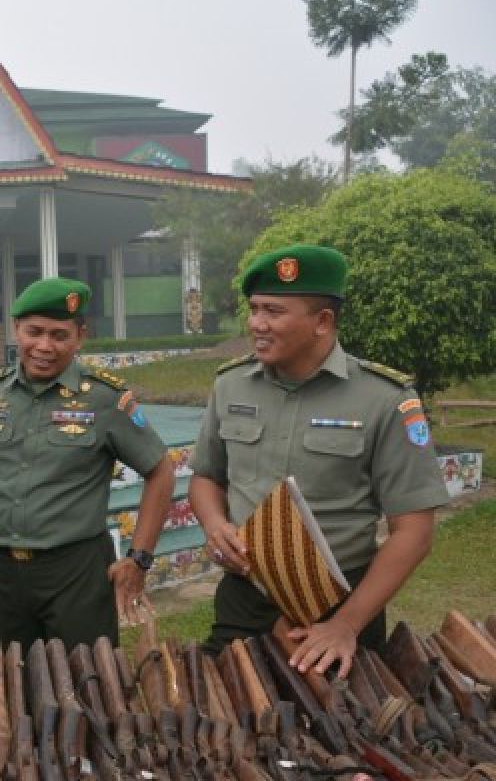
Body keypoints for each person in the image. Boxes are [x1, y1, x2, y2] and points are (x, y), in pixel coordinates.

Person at [189, 244, 451, 676]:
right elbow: (206, 477)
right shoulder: (231, 385)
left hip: (338, 603)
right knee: (230, 719)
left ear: (322, 322)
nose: (257, 323)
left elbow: (414, 531)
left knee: (334, 731)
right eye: (254, 309)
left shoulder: (384, 399)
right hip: (244, 595)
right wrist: (215, 526)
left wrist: (345, 625)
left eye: (273, 311)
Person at [0, 277, 175, 650]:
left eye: (59, 335)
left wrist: (139, 558)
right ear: (16, 330)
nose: (44, 346)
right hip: (9, 572)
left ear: (80, 336)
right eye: (34, 332)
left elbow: (161, 470)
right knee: (25, 682)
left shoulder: (104, 398)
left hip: (77, 571)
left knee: (88, 682)